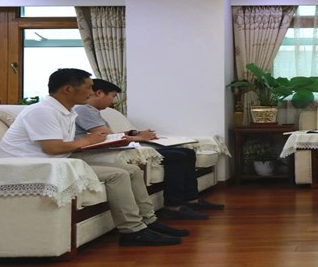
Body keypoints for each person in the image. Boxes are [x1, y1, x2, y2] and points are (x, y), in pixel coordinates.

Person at [0, 68, 186, 246]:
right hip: (36, 166)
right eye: (88, 87)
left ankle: (149, 221)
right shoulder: (42, 111)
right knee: (118, 175)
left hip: (60, 161)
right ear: (68, 89)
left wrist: (99, 142)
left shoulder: (67, 111)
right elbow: (52, 148)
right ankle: (132, 231)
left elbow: (64, 146)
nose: (91, 92)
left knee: (132, 170)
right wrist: (88, 140)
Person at [74, 79, 224, 220]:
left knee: (187, 152)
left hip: (113, 148)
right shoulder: (84, 110)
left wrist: (135, 133)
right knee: (177, 156)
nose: (112, 101)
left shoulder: (92, 110)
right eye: (112, 96)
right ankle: (173, 206)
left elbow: (109, 134)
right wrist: (141, 138)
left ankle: (192, 199)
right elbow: (108, 138)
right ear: (99, 93)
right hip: (105, 152)